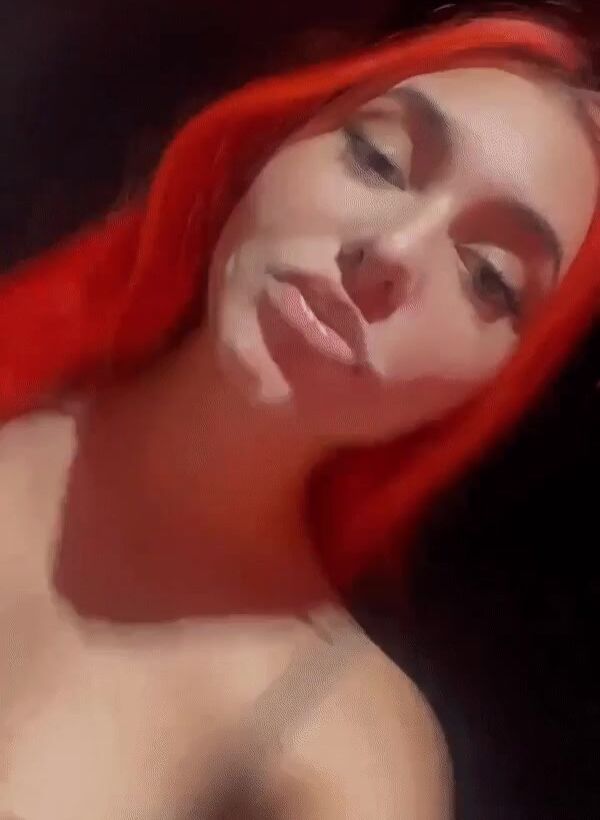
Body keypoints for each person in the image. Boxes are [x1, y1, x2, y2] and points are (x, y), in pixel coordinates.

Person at [0, 11, 599, 819]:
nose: (392, 251)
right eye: (378, 158)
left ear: (492, 389)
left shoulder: (337, 748)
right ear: (273, 144)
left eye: (490, 278)